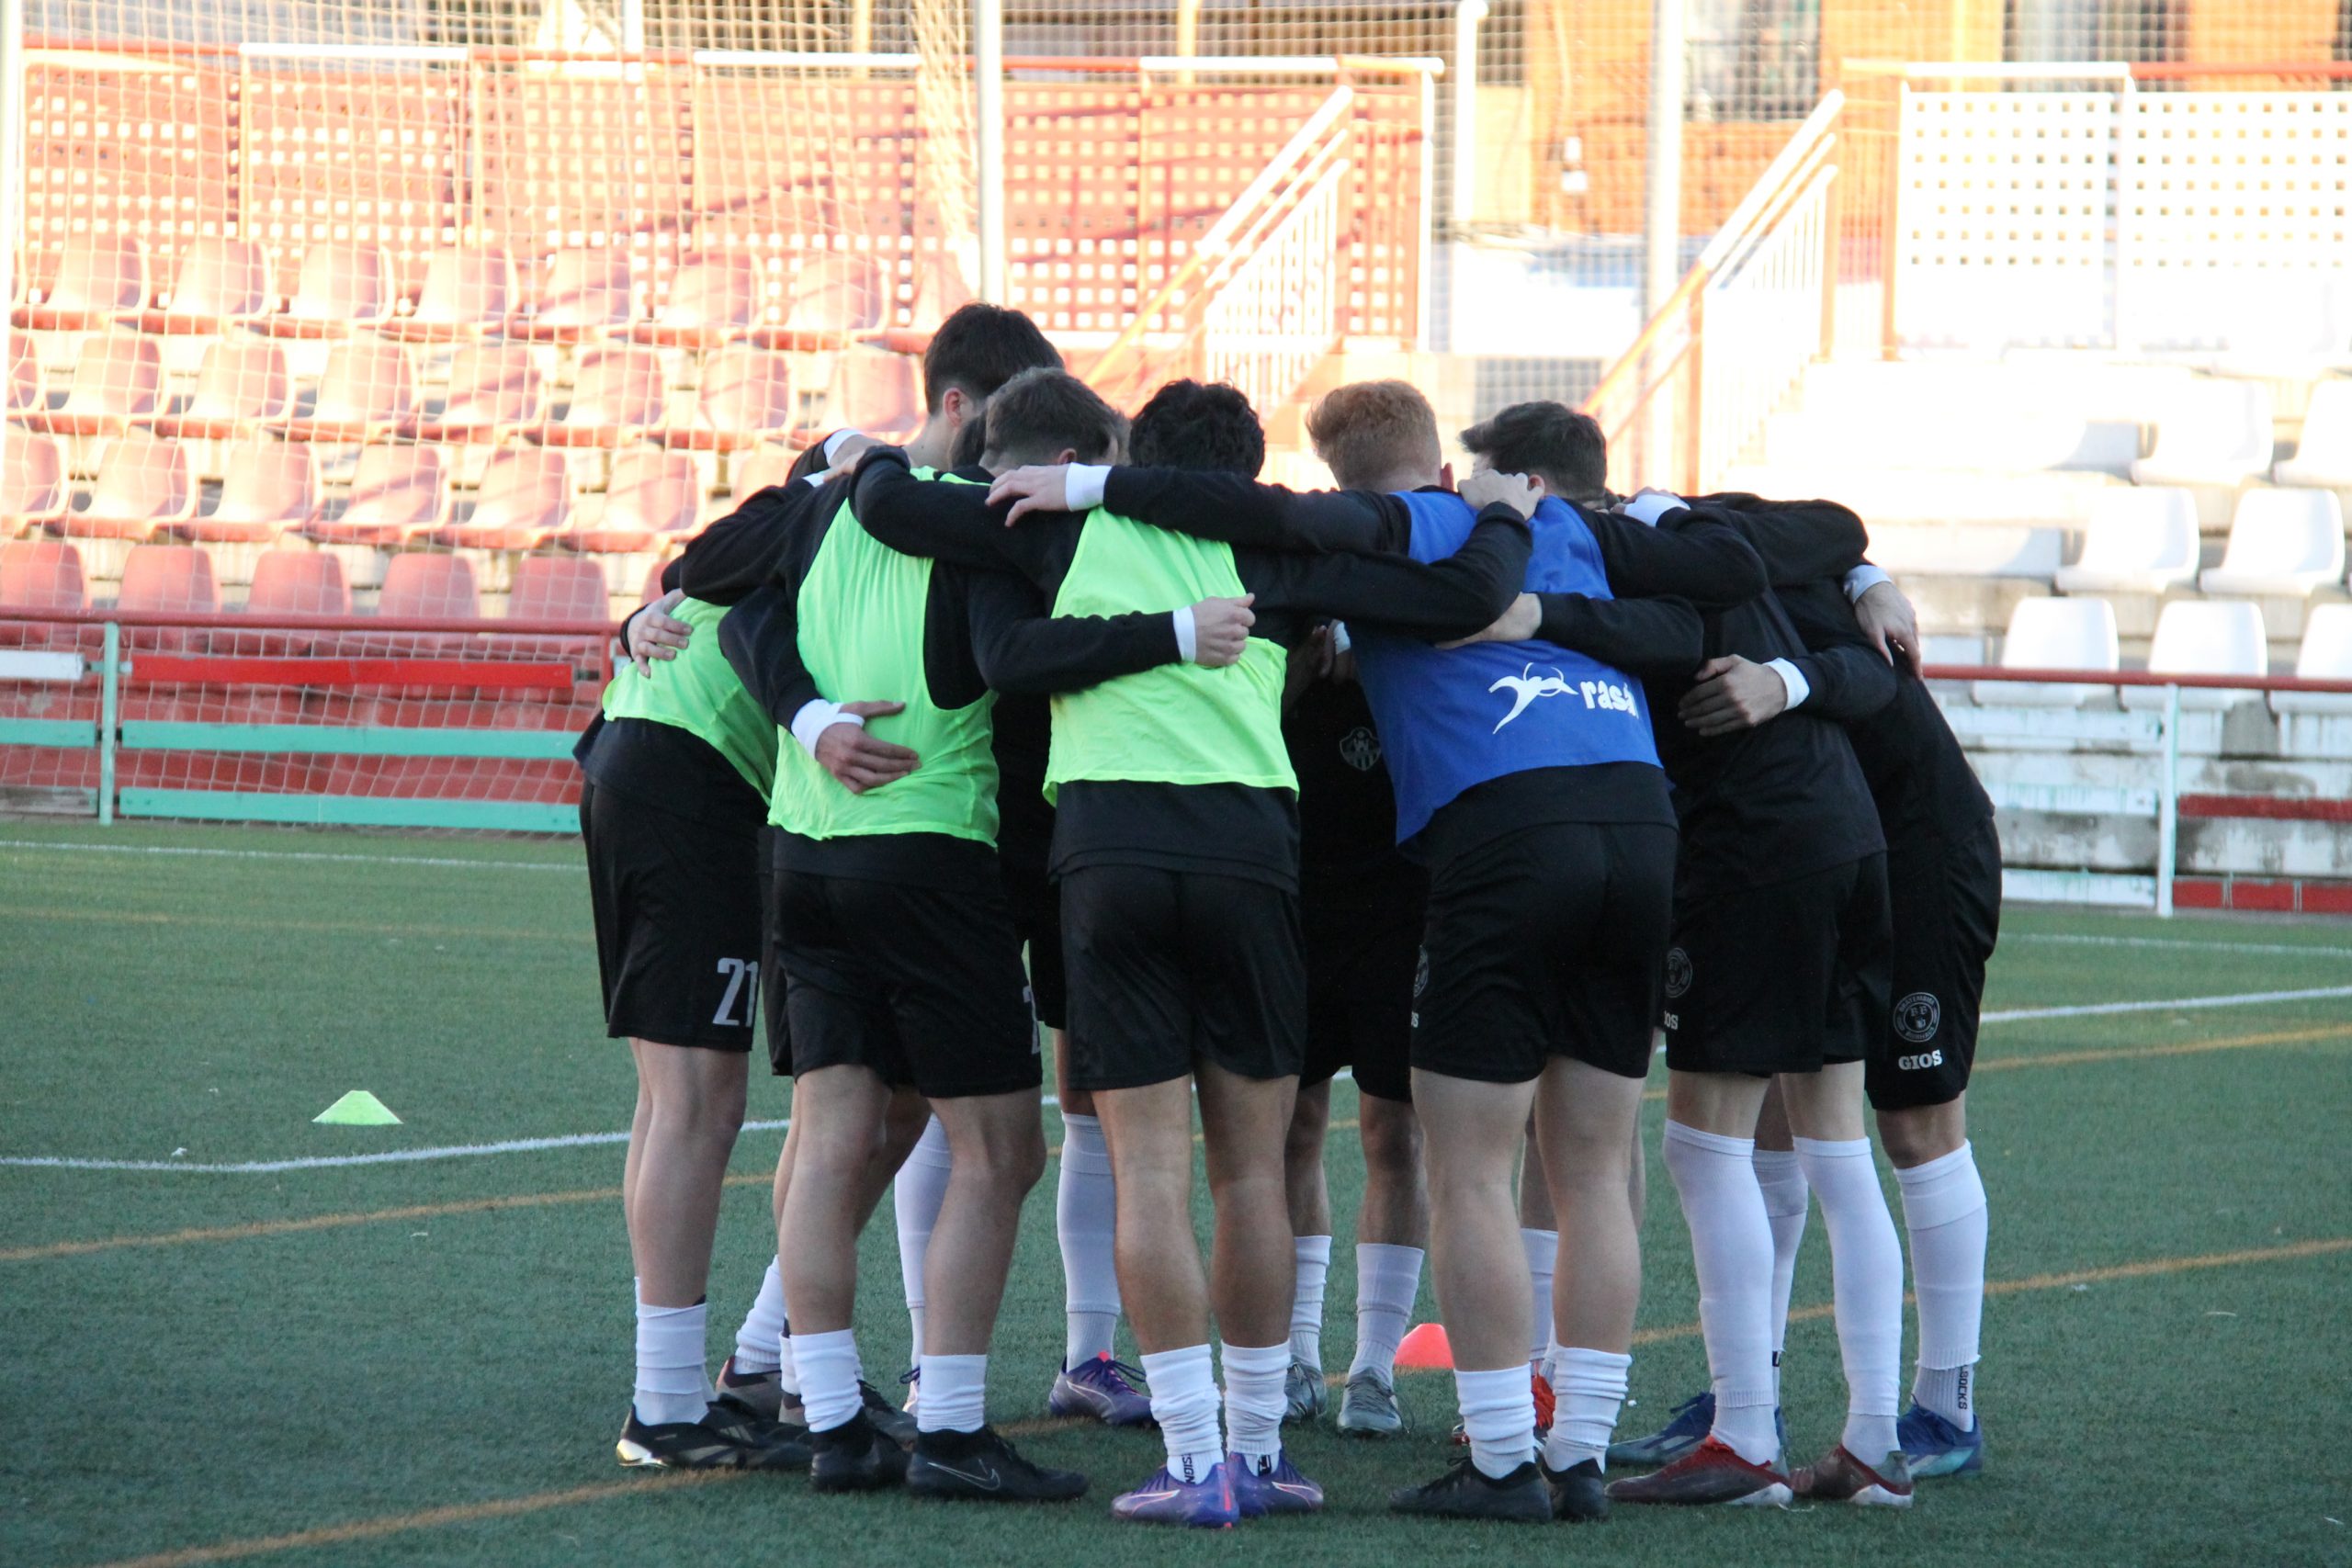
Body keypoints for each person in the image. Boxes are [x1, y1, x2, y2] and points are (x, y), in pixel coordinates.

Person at [986, 382, 1766, 1525]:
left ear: (1342, 479)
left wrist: (1090, 482)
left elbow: (1294, 535)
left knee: (1464, 1165)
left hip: (1498, 835)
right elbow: (1713, 601)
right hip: (1640, 827)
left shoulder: (1397, 536)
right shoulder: (1567, 524)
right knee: (1597, 1160)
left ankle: (1500, 1457)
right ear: (1441, 459)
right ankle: (1583, 1452)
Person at [858, 371, 1536, 1526]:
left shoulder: (1056, 529)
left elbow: (885, 506)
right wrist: (1508, 511)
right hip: (1250, 857)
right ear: (1245, 475)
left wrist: (854, 449)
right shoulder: (1273, 555)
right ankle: (1262, 1448)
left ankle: (1187, 1456)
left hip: (1110, 856)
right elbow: (1467, 590)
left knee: (1150, 1174)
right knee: (1248, 1172)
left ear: (1139, 455)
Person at [1514, 483, 1909, 1510]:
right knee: (1833, 1143)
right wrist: (1863, 580)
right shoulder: (1690, 528)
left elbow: (1828, 528)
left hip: (1756, 854)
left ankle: (1740, 1439)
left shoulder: (1618, 552)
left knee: (1702, 1144)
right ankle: (1872, 1441)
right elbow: (1834, 528)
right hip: (1845, 834)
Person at [1607, 538, 1996, 1484]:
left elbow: (1835, 544)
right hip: (1813, 844)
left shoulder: (1715, 551)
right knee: (1777, 1125)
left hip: (1914, 845)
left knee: (1910, 1126)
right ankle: (1751, 1394)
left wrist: (1836, 614)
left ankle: (1942, 1406)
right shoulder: (1685, 576)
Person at [580, 438, 850, 1472]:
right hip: (688, 784)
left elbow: (694, 577)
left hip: (638, 758)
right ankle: (662, 1406)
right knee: (696, 1101)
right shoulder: (832, 526)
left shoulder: (765, 534)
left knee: (671, 1100)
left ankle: (677, 1388)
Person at [1273, 622, 1430, 1439]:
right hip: (1292, 905)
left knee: (1392, 1132)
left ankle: (1373, 1366)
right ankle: (1298, 1356)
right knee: (1286, 1128)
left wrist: (1378, 642)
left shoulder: (1415, 614)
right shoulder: (1277, 614)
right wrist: (1302, 659)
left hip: (1398, 912)